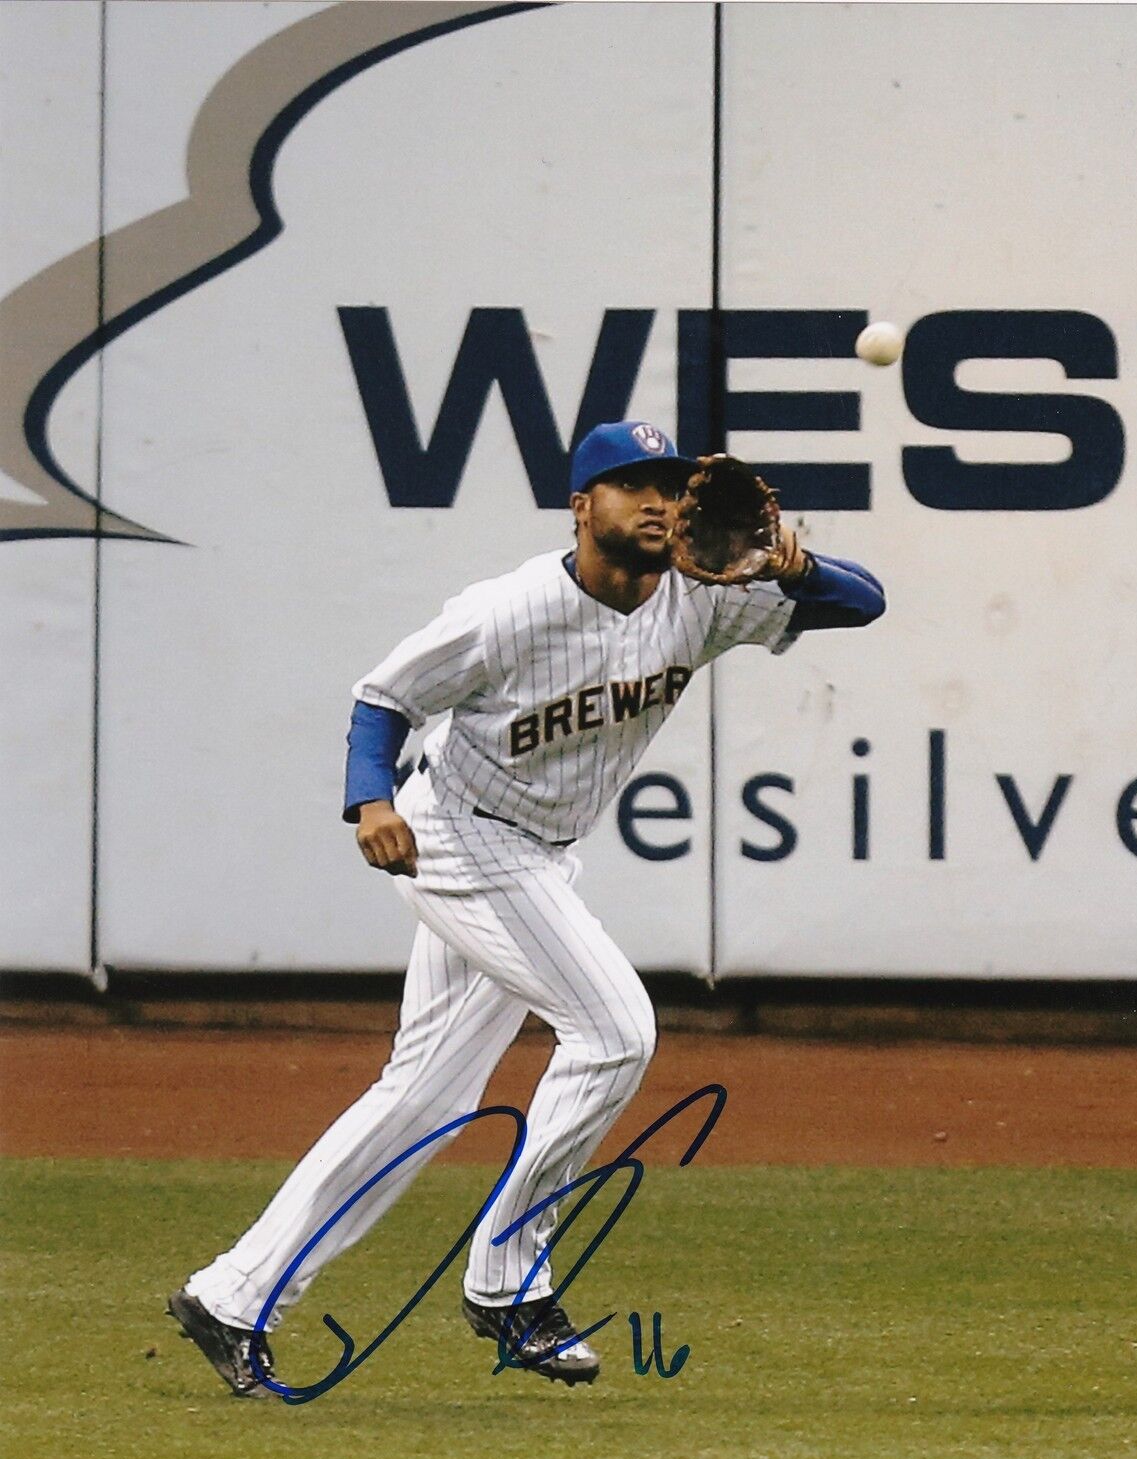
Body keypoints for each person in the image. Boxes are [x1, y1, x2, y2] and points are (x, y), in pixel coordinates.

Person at [168, 420, 886, 1397]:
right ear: (581, 505)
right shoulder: (509, 610)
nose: (657, 501)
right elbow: (385, 698)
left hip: (536, 852)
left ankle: (233, 1294)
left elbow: (865, 604)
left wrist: (799, 563)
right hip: (458, 837)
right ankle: (508, 1277)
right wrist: (370, 800)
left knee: (424, 1098)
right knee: (615, 1029)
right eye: (629, 483)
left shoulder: (696, 603)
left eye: (667, 485)